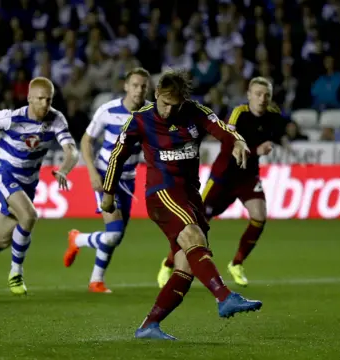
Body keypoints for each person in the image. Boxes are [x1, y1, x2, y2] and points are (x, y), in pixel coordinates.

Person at [101, 70, 263, 340]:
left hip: (189, 195)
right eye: (164, 103)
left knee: (185, 266)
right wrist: (108, 192)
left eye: (174, 105)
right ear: (156, 95)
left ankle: (148, 326)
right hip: (161, 192)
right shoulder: (141, 120)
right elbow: (118, 154)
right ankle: (225, 297)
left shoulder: (195, 112)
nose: (168, 110)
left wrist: (237, 140)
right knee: (193, 235)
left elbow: (221, 128)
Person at [157, 77, 289, 287]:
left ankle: (237, 263)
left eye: (266, 95)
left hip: (248, 176)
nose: (262, 99)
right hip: (223, 177)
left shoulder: (274, 116)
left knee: (259, 216)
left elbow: (275, 134)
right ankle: (168, 264)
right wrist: (256, 151)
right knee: (196, 225)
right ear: (249, 95)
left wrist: (284, 142)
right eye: (258, 94)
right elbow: (229, 143)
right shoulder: (239, 114)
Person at [0, 77, 79, 298]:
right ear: (29, 98)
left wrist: (64, 169)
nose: (44, 104)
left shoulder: (56, 119)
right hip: (4, 176)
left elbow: (72, 150)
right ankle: (16, 273)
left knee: (2, 239)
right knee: (29, 215)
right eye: (40, 99)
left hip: (28, 184)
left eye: (48, 100)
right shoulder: (11, 117)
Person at [63, 68, 150, 293]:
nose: (139, 89)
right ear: (126, 86)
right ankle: (79, 240)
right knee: (113, 233)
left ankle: (95, 280)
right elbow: (86, 141)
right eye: (135, 85)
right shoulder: (108, 110)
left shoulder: (150, 113)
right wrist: (92, 172)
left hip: (129, 181)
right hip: (105, 176)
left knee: (116, 236)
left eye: (143, 86)